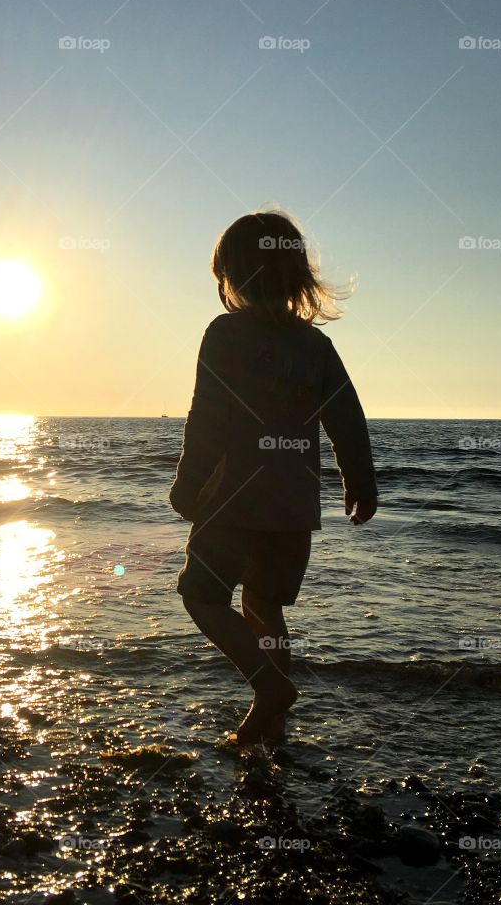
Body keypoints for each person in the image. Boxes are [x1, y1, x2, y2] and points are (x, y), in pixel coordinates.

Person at [170, 208, 377, 745]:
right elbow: (347, 418)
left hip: (233, 500)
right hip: (293, 508)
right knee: (264, 605)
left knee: (202, 597)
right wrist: (360, 480)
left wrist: (188, 481)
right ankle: (274, 721)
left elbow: (208, 414)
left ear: (233, 277)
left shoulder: (225, 334)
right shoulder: (316, 346)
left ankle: (269, 688)